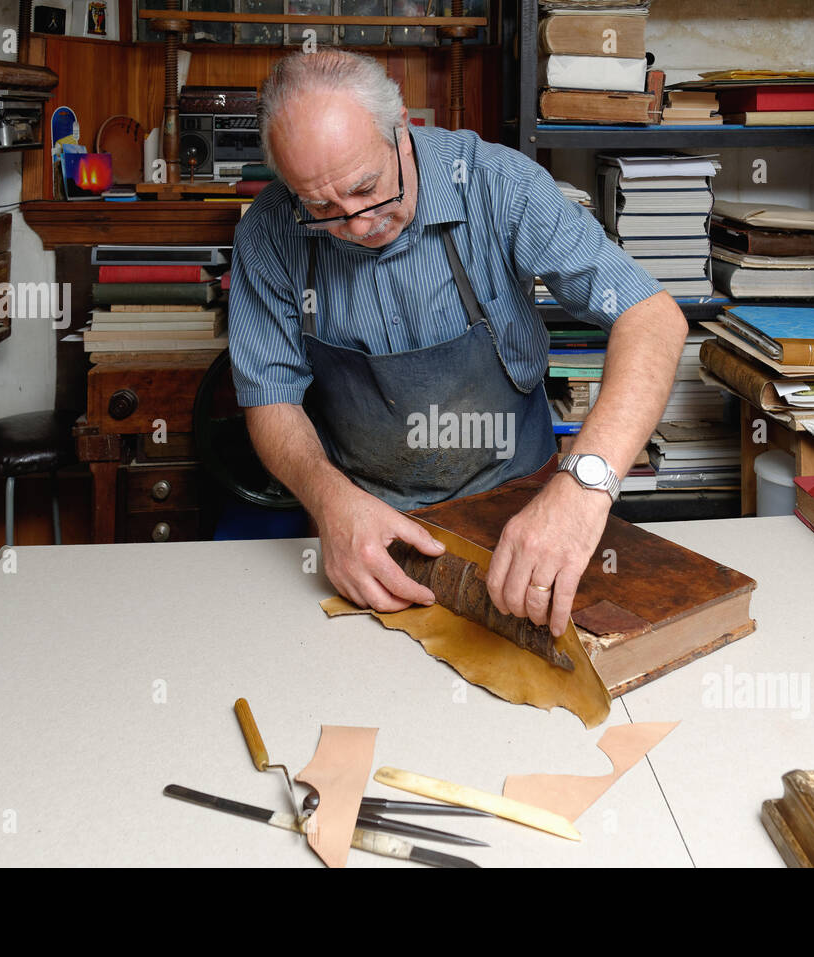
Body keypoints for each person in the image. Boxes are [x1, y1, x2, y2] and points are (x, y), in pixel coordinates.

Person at [229, 50, 687, 637]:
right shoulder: (268, 232)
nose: (359, 224)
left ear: (401, 128)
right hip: (365, 518)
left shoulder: (498, 183)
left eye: (368, 188)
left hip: (522, 499)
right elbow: (270, 397)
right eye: (322, 208)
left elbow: (652, 317)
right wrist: (328, 501)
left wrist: (581, 488)